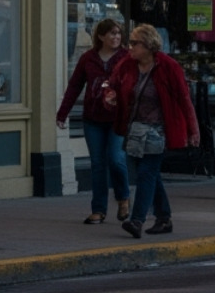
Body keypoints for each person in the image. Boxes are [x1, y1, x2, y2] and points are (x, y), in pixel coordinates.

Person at [113, 24, 200, 238]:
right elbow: (113, 84)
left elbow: (184, 99)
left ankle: (137, 220)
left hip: (158, 129)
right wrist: (110, 95)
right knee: (150, 175)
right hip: (135, 129)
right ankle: (164, 218)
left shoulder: (168, 67)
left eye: (135, 43)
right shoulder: (127, 64)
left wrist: (193, 130)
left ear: (149, 45)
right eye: (130, 42)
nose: (130, 47)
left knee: (146, 173)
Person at [56, 19, 131, 225]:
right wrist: (63, 113)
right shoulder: (88, 58)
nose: (116, 37)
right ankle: (98, 209)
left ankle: (123, 198)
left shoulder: (126, 58)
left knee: (116, 159)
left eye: (118, 33)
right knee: (97, 164)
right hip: (93, 118)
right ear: (101, 36)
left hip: (118, 118)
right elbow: (74, 86)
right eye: (112, 33)